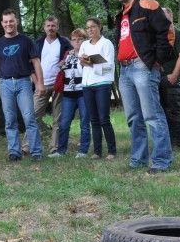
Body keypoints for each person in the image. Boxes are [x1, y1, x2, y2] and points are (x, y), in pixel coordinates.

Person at [113, 0, 174, 172]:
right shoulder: (120, 14)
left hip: (142, 67)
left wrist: (157, 60)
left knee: (152, 115)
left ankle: (161, 161)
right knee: (133, 117)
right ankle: (138, 159)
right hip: (125, 70)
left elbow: (166, 31)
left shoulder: (147, 6)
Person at [0, 8, 45, 161]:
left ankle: (36, 152)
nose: (9, 24)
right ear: (2, 24)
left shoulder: (26, 41)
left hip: (24, 82)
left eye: (11, 21)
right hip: (5, 84)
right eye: (6, 22)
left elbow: (36, 62)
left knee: (29, 118)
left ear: (16, 21)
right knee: (10, 120)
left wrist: (40, 84)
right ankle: (14, 152)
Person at [31, 16, 71, 154]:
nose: (50, 28)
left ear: (57, 27)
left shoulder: (64, 42)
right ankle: (27, 146)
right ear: (44, 27)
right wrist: (36, 83)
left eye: (53, 26)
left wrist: (64, 62)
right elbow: (30, 64)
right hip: (41, 85)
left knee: (57, 118)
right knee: (33, 116)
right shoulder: (37, 43)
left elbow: (72, 56)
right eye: (48, 26)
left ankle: (54, 147)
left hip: (59, 84)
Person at [80, 18, 117, 159]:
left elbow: (109, 65)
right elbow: (81, 61)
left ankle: (112, 151)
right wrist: (84, 61)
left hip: (102, 83)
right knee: (93, 119)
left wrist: (91, 64)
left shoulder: (106, 43)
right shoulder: (84, 44)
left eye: (93, 27)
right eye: (87, 27)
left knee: (103, 118)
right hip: (87, 84)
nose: (90, 30)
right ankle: (97, 152)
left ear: (99, 27)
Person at [51, 28, 91, 158]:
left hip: (83, 91)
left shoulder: (88, 53)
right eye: (74, 40)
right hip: (68, 92)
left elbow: (90, 71)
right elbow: (63, 70)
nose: (77, 42)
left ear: (84, 40)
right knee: (64, 123)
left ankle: (83, 150)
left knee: (84, 122)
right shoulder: (67, 54)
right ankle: (61, 150)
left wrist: (83, 62)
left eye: (80, 39)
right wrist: (61, 65)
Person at [159, 7, 180, 149]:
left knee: (173, 111)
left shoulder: (179, 34)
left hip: (171, 79)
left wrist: (175, 75)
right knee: (160, 112)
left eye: (164, 16)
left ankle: (177, 142)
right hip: (156, 79)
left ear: (171, 16)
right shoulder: (157, 35)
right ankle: (165, 142)